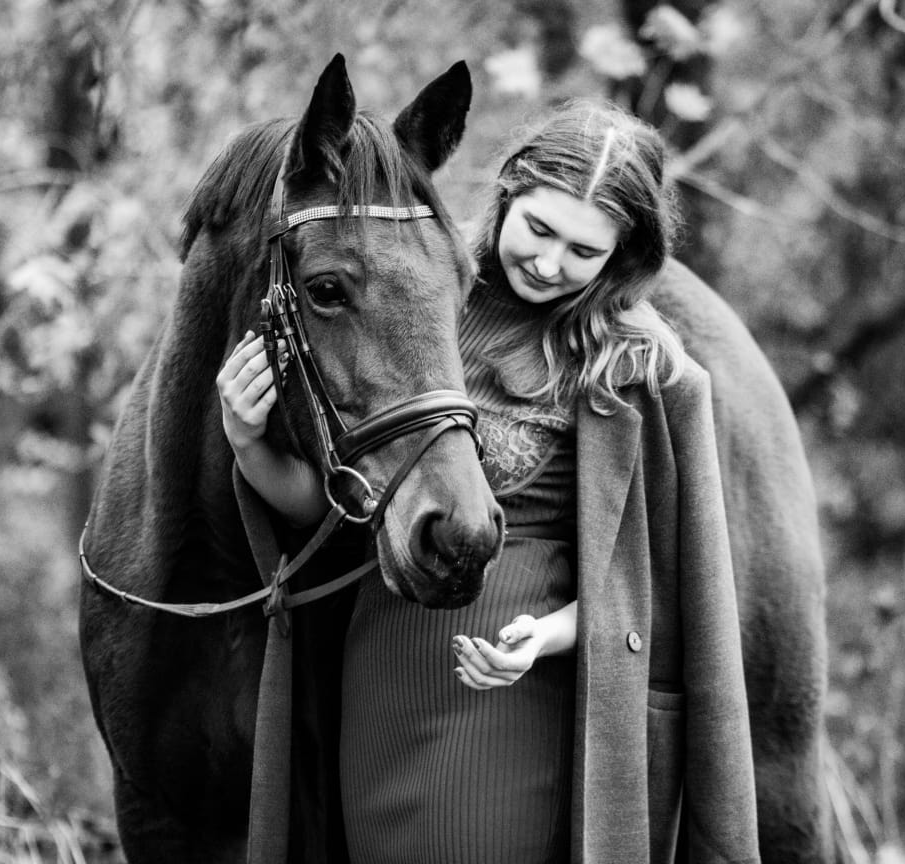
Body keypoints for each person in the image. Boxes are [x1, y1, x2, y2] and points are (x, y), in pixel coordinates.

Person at [217, 99, 759, 864]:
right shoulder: (420, 297)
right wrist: (248, 443)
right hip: (380, 680)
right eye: (539, 229)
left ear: (622, 257)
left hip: (514, 693)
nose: (549, 263)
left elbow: (668, 591)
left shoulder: (638, 367)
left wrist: (547, 636)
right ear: (508, 191)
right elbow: (335, 513)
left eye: (584, 250)